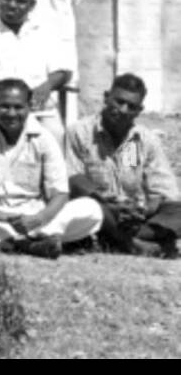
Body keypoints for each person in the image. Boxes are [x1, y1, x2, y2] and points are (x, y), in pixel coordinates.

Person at [0, 78, 102, 257]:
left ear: (29, 107)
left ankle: (9, 242)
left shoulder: (43, 138)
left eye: (18, 107)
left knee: (92, 209)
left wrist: (39, 218)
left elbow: (60, 193)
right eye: (4, 106)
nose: (11, 113)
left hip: (31, 216)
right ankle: (23, 243)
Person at [66, 75, 180, 257]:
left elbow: (163, 190)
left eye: (132, 107)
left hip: (134, 217)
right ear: (106, 98)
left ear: (139, 111)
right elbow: (72, 178)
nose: (123, 110)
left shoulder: (145, 139)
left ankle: (119, 238)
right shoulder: (78, 132)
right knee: (90, 209)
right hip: (99, 208)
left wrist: (142, 209)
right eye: (119, 102)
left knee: (177, 210)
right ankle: (131, 242)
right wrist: (108, 203)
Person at [0, 0, 74, 147]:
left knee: (56, 136)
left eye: (20, 1)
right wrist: (9, 91)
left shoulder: (47, 29)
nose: (12, 5)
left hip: (39, 109)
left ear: (32, 5)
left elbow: (63, 70)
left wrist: (47, 86)